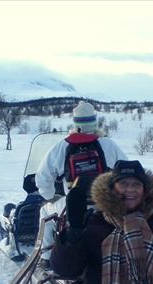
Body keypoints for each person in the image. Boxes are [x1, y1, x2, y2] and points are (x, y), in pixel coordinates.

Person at [35, 101, 128, 266]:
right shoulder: (109, 145)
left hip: (73, 205)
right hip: (107, 204)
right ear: (95, 122)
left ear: (75, 123)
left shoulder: (61, 147)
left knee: (45, 213)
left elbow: (42, 178)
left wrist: (49, 196)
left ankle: (46, 258)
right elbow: (127, 172)